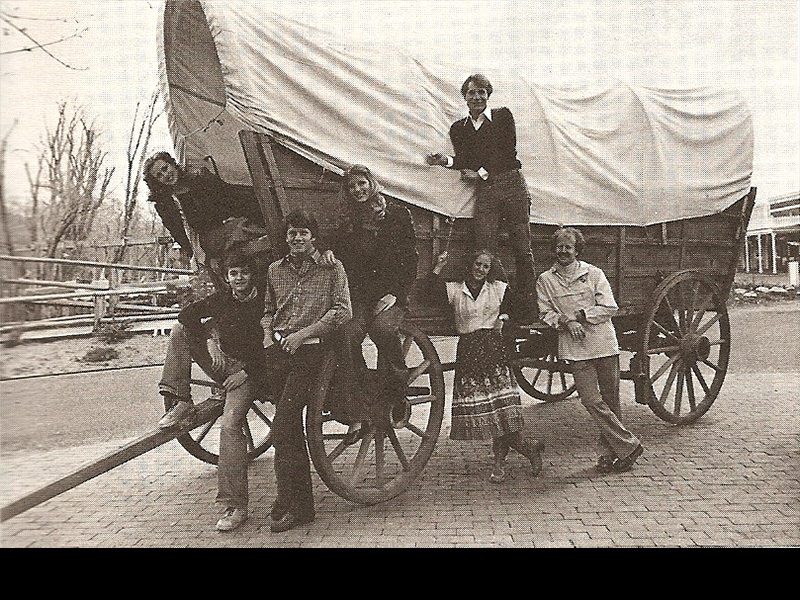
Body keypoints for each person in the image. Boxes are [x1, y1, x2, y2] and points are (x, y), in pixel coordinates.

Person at [155, 251, 267, 532]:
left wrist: (244, 374)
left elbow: (271, 348)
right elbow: (187, 314)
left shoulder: (264, 302)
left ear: (252, 275)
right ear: (227, 278)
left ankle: (236, 505)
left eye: (243, 272)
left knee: (230, 426)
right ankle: (180, 401)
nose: (238, 279)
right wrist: (209, 340)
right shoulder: (223, 299)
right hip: (223, 363)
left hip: (250, 373)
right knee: (180, 330)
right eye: (233, 274)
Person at [262, 210, 352, 533]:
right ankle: (287, 497)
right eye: (291, 234)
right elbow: (269, 311)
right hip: (281, 352)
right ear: (286, 239)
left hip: (313, 352)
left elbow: (343, 311)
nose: (297, 239)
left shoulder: (331, 267)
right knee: (286, 428)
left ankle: (300, 507)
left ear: (313, 237)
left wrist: (303, 334)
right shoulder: (275, 270)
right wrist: (267, 333)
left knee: (283, 424)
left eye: (303, 233)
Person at [424, 249, 544, 483]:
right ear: (470, 265)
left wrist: (505, 317)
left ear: (490, 270)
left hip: (493, 350)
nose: (480, 269)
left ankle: (499, 465)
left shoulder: (497, 288)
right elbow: (428, 294)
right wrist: (437, 267)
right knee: (488, 415)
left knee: (502, 412)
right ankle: (528, 448)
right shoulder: (456, 289)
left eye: (485, 266)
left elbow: (526, 310)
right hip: (469, 352)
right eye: (478, 264)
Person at [425, 73, 537, 323]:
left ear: (488, 95)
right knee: (484, 247)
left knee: (522, 246)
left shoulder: (502, 116)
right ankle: (496, 304)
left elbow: (507, 152)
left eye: (481, 92)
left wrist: (481, 173)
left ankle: (528, 308)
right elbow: (465, 160)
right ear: (464, 97)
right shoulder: (460, 128)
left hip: (511, 183)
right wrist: (445, 161)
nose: (476, 97)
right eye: (471, 93)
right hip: (487, 189)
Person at [321, 164, 418, 444]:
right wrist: (327, 250)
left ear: (371, 183)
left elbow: (410, 260)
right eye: (352, 187)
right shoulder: (349, 219)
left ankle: (397, 390)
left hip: (390, 295)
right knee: (347, 334)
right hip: (360, 297)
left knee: (383, 330)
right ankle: (361, 401)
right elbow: (334, 245)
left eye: (361, 184)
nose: (357, 190)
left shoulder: (397, 214)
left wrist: (396, 295)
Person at [536, 227, 644, 473]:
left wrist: (580, 315)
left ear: (577, 250)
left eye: (568, 247)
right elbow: (545, 313)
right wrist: (566, 321)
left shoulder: (593, 273)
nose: (563, 251)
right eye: (560, 247)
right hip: (575, 348)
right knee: (591, 400)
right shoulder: (545, 280)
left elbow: (609, 307)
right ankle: (629, 445)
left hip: (603, 343)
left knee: (610, 399)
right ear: (554, 249)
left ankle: (610, 454)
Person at [142, 151, 270, 276]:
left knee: (247, 231)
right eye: (159, 175)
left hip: (230, 226)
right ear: (156, 182)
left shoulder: (198, 181)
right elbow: (179, 234)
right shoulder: (166, 204)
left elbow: (229, 197)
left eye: (165, 168)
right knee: (240, 232)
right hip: (208, 240)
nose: (166, 175)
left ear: (172, 164)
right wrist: (206, 258)